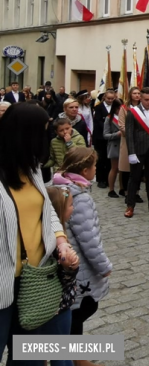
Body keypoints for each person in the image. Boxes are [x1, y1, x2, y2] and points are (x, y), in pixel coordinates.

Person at [0, 103, 79, 363]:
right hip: (3, 284)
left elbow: (47, 211)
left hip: (34, 281)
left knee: (28, 357)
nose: (47, 138)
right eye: (43, 131)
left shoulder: (32, 166)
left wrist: (60, 240)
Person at [51, 148, 112, 345]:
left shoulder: (59, 188)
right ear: (85, 171)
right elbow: (89, 240)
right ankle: (71, 357)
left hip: (68, 264)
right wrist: (104, 267)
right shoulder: (80, 198)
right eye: (94, 166)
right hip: (80, 269)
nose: (96, 169)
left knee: (75, 314)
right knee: (81, 310)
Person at [124, 87, 149, 218]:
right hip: (138, 149)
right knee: (134, 178)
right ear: (140, 98)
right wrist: (131, 152)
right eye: (146, 99)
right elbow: (129, 133)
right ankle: (130, 206)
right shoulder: (132, 112)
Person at [118, 87, 142, 200]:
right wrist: (131, 134)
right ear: (130, 95)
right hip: (127, 140)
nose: (137, 95)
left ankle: (136, 192)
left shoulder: (143, 107)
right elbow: (121, 125)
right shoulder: (124, 108)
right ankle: (127, 192)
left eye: (138, 93)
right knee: (127, 168)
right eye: (134, 93)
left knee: (138, 168)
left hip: (141, 141)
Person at [92, 90, 115, 189]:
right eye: (108, 98)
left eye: (112, 98)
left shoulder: (115, 107)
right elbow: (97, 121)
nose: (110, 100)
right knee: (100, 158)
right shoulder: (98, 107)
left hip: (111, 136)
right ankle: (100, 179)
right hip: (100, 136)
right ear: (104, 97)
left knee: (109, 159)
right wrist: (107, 128)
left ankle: (107, 179)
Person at [103, 99, 123, 198]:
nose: (120, 110)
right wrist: (116, 134)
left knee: (122, 169)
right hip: (114, 145)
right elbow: (105, 135)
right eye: (119, 108)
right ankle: (111, 189)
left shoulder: (124, 117)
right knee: (114, 168)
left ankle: (122, 188)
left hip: (124, 144)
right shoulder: (109, 118)